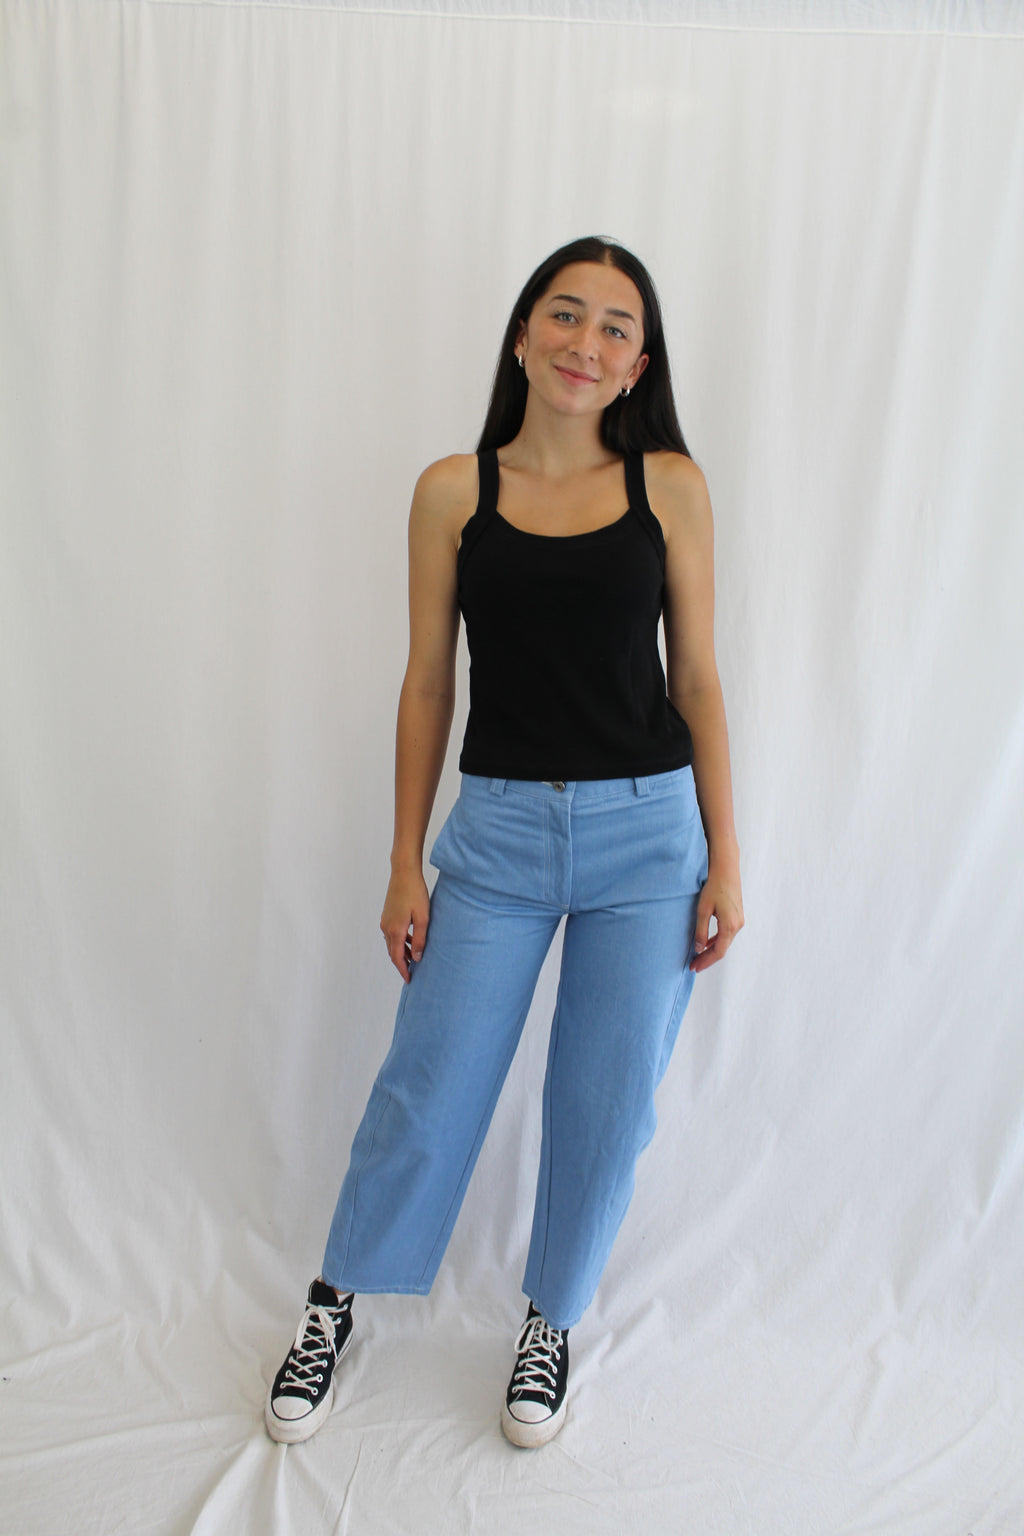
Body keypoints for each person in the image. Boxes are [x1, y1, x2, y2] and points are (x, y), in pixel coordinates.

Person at [264, 236, 744, 1450]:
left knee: (604, 1100)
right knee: (430, 1081)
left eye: (616, 327)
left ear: (638, 365)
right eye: (565, 314)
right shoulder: (451, 492)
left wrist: (725, 861)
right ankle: (334, 1299)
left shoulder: (670, 487)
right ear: (524, 334)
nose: (588, 341)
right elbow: (429, 683)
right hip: (498, 836)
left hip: (648, 839)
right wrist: (402, 860)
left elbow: (695, 678)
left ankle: (551, 1321)